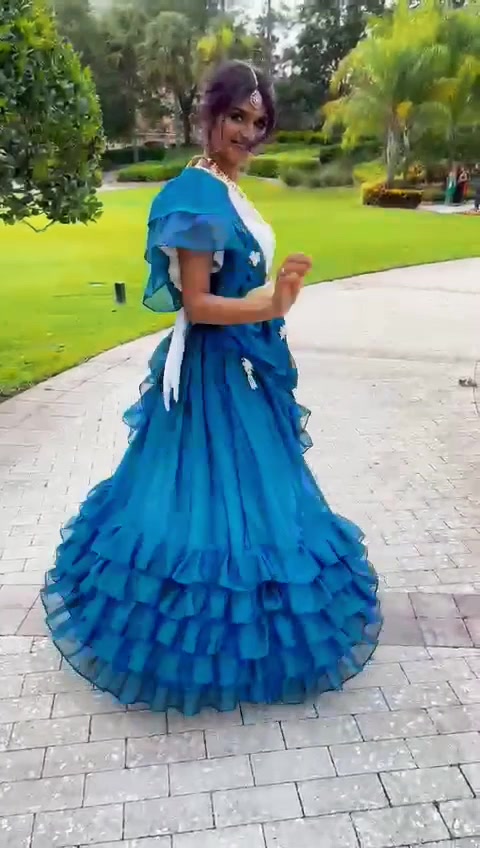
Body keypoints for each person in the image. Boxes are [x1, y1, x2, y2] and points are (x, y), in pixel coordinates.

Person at [42, 61, 382, 716]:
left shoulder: (226, 188)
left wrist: (270, 302)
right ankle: (181, 635)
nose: (249, 133)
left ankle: (254, 625)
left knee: (251, 494)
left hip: (243, 363)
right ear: (211, 116)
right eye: (237, 118)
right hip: (211, 372)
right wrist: (272, 303)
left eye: (259, 121)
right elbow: (197, 305)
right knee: (203, 493)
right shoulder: (194, 196)